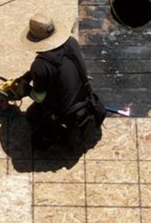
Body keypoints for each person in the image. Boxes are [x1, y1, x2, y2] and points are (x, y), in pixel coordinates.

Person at [16, 15, 104, 151]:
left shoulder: (40, 65)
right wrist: (29, 76)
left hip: (66, 112)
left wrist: (26, 89)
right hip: (86, 99)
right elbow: (56, 71)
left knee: (31, 116)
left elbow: (40, 98)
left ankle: (60, 134)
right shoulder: (71, 43)